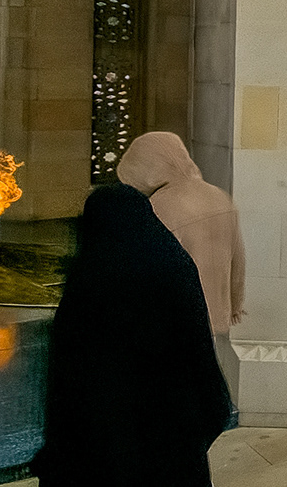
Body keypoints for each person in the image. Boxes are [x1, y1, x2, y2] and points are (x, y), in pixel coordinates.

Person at [33, 183, 232, 487]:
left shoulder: (89, 280)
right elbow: (198, 353)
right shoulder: (176, 266)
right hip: (172, 445)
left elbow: (68, 379)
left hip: (102, 449)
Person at [117, 132, 247, 385]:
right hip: (210, 309)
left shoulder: (158, 207)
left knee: (170, 383)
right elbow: (238, 258)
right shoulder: (219, 196)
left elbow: (152, 271)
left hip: (174, 318)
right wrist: (234, 302)